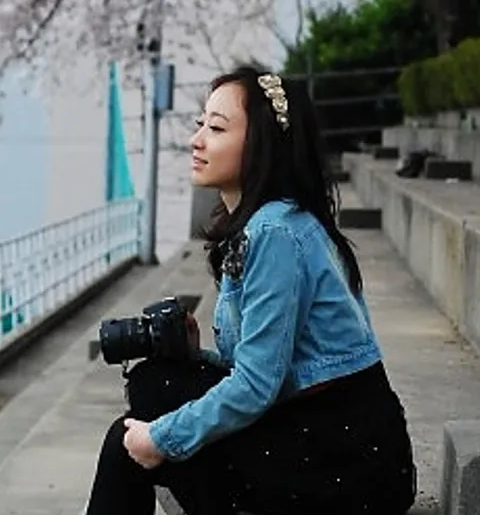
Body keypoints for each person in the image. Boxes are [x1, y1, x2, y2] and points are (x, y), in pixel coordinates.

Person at [85, 66, 417, 515]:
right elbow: (271, 368)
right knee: (154, 382)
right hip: (331, 433)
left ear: (262, 145)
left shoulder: (274, 233)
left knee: (132, 435)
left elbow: (258, 385)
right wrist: (197, 357)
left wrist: (161, 439)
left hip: (346, 457)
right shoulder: (267, 223)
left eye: (217, 129)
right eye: (201, 124)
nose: (197, 140)